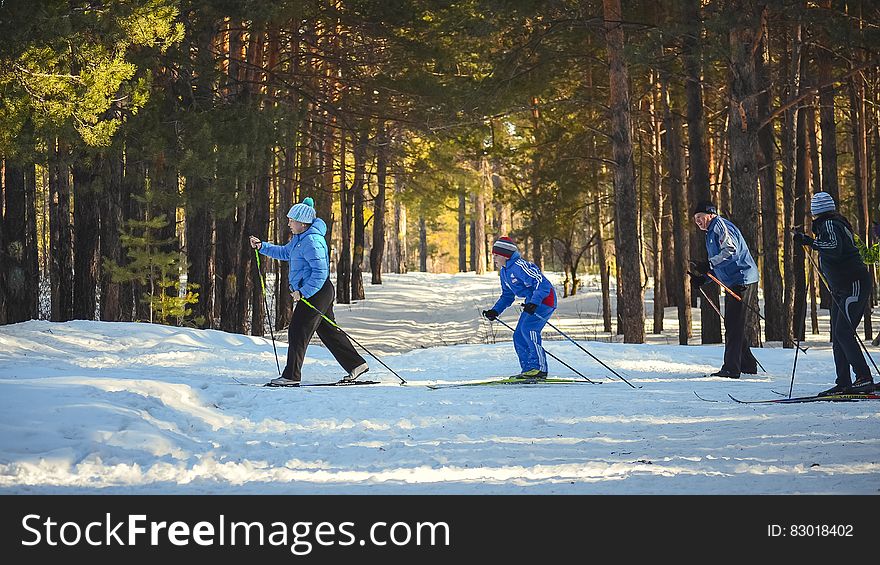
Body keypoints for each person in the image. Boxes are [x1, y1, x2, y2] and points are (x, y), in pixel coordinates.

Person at [249, 197, 368, 386]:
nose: (288, 223)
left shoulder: (312, 241)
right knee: (329, 331)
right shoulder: (299, 239)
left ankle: (291, 376)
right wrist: (263, 246)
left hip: (317, 291)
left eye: (291, 220)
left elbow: (321, 272)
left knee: (297, 330)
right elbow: (284, 253)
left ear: (302, 223)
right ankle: (357, 364)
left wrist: (303, 292)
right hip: (317, 291)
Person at [793, 192, 875, 395]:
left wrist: (809, 241)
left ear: (816, 211)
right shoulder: (829, 224)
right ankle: (844, 382)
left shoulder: (829, 224)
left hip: (853, 285)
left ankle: (863, 377)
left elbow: (835, 248)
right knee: (838, 336)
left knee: (843, 333)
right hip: (842, 289)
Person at [689, 201, 760, 379]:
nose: (697, 222)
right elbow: (718, 264)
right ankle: (747, 365)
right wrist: (703, 279)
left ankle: (731, 368)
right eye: (695, 219)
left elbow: (731, 251)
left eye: (700, 217)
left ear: (710, 214)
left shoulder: (719, 226)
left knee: (733, 324)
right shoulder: (710, 233)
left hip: (742, 278)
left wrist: (708, 264)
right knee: (733, 323)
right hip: (732, 281)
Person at [482, 236, 557, 379]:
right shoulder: (504, 272)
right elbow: (507, 296)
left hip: (545, 299)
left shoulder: (519, 266)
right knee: (518, 335)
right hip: (532, 301)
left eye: (496, 255)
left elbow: (542, 284)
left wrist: (534, 302)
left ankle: (539, 368)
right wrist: (495, 311)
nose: (494, 258)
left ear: (505, 255)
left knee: (529, 329)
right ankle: (528, 370)